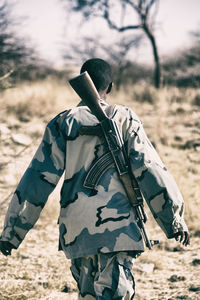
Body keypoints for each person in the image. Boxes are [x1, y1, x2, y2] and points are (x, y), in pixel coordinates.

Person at [0, 58, 190, 299]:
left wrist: (12, 232)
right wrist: (173, 220)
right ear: (109, 87)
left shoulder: (63, 122)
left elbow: (36, 181)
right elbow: (150, 170)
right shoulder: (124, 118)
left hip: (77, 232)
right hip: (118, 231)